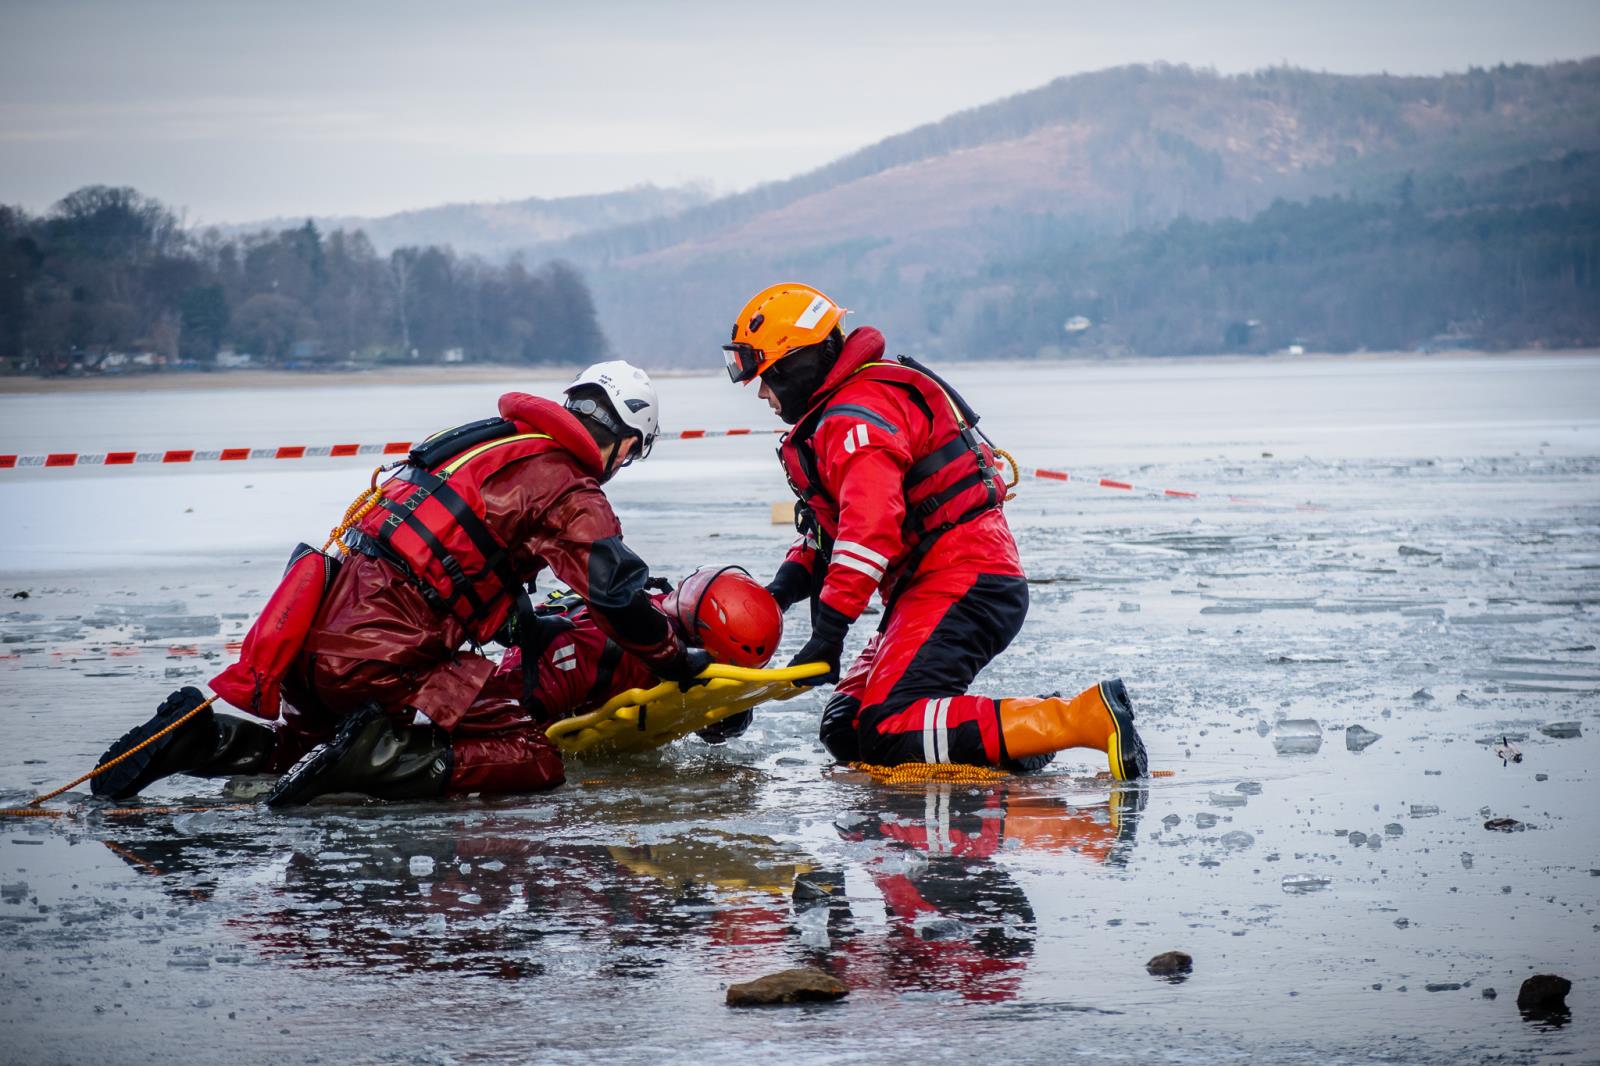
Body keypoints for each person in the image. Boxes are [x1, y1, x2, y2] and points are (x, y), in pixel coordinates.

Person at [93, 361, 713, 805]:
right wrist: (673, 659)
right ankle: (373, 759)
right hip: (384, 658)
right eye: (633, 453)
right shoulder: (571, 488)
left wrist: (520, 618)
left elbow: (452, 551)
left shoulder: (490, 445)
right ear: (625, 441)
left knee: (307, 748)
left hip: (314, 650)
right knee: (531, 756)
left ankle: (200, 740)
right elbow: (614, 598)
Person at [722, 283, 1148, 778]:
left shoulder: (856, 420)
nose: (763, 394)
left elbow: (869, 530)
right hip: (930, 584)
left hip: (965, 579)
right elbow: (830, 531)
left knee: (888, 728)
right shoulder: (848, 411)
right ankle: (1019, 734)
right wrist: (778, 593)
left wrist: (830, 632)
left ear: (797, 364)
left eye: (767, 377)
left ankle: (1081, 718)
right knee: (847, 727)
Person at [494, 564, 783, 743]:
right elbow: (504, 719)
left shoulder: (674, 618)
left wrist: (728, 708)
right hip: (539, 676)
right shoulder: (594, 643)